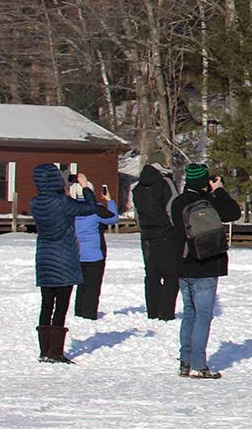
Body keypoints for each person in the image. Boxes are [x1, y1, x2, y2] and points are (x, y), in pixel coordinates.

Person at [30, 164, 108, 364]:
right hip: (64, 258)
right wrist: (85, 186)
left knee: (46, 305)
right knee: (61, 305)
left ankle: (44, 350)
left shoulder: (35, 203)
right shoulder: (63, 202)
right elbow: (91, 207)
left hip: (45, 258)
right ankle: (56, 352)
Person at [170, 163, 242, 378]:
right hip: (207, 264)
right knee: (203, 315)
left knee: (189, 314)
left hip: (184, 264)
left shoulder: (178, 203)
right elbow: (233, 212)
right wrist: (218, 190)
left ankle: (185, 360)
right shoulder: (211, 202)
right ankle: (199, 364)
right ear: (204, 182)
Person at [131, 155, 183, 321]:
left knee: (151, 274)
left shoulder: (138, 186)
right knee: (170, 274)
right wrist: (176, 230)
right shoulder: (165, 182)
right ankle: (166, 312)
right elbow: (173, 208)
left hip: (146, 235)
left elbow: (137, 214)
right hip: (166, 234)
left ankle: (152, 311)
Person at [72, 176, 120, 319]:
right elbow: (113, 218)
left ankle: (79, 311)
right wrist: (109, 201)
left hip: (76, 252)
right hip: (94, 254)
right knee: (92, 286)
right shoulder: (96, 209)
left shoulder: (72, 208)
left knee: (81, 285)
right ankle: (89, 313)